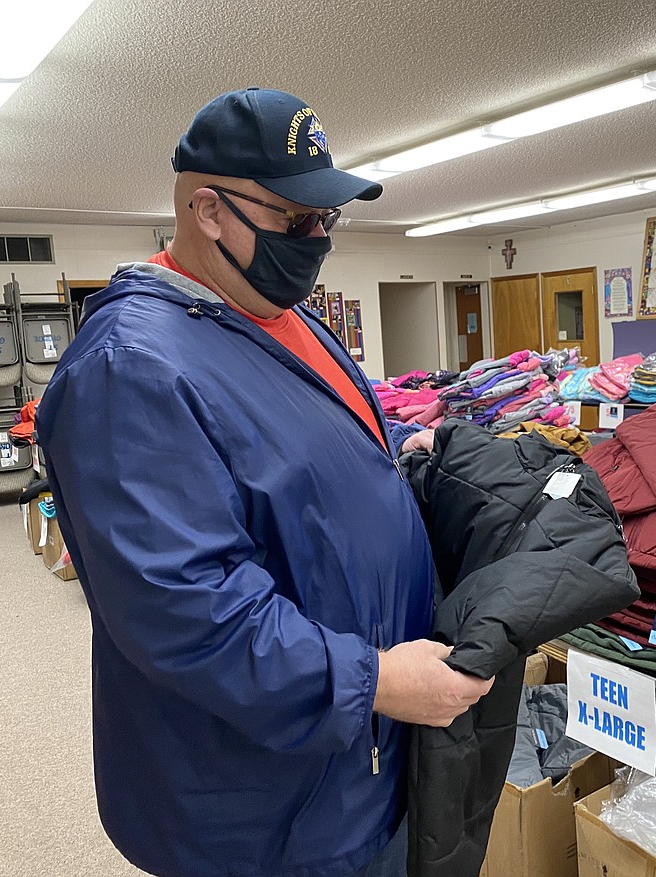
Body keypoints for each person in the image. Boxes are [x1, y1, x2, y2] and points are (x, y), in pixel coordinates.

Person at [36, 88, 492, 877]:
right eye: (296, 220)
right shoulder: (132, 370)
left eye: (327, 221)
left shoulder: (283, 314)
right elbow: (186, 610)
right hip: (267, 810)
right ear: (209, 210)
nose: (317, 241)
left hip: (358, 758)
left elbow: (315, 435)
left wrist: (392, 446)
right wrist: (377, 679)